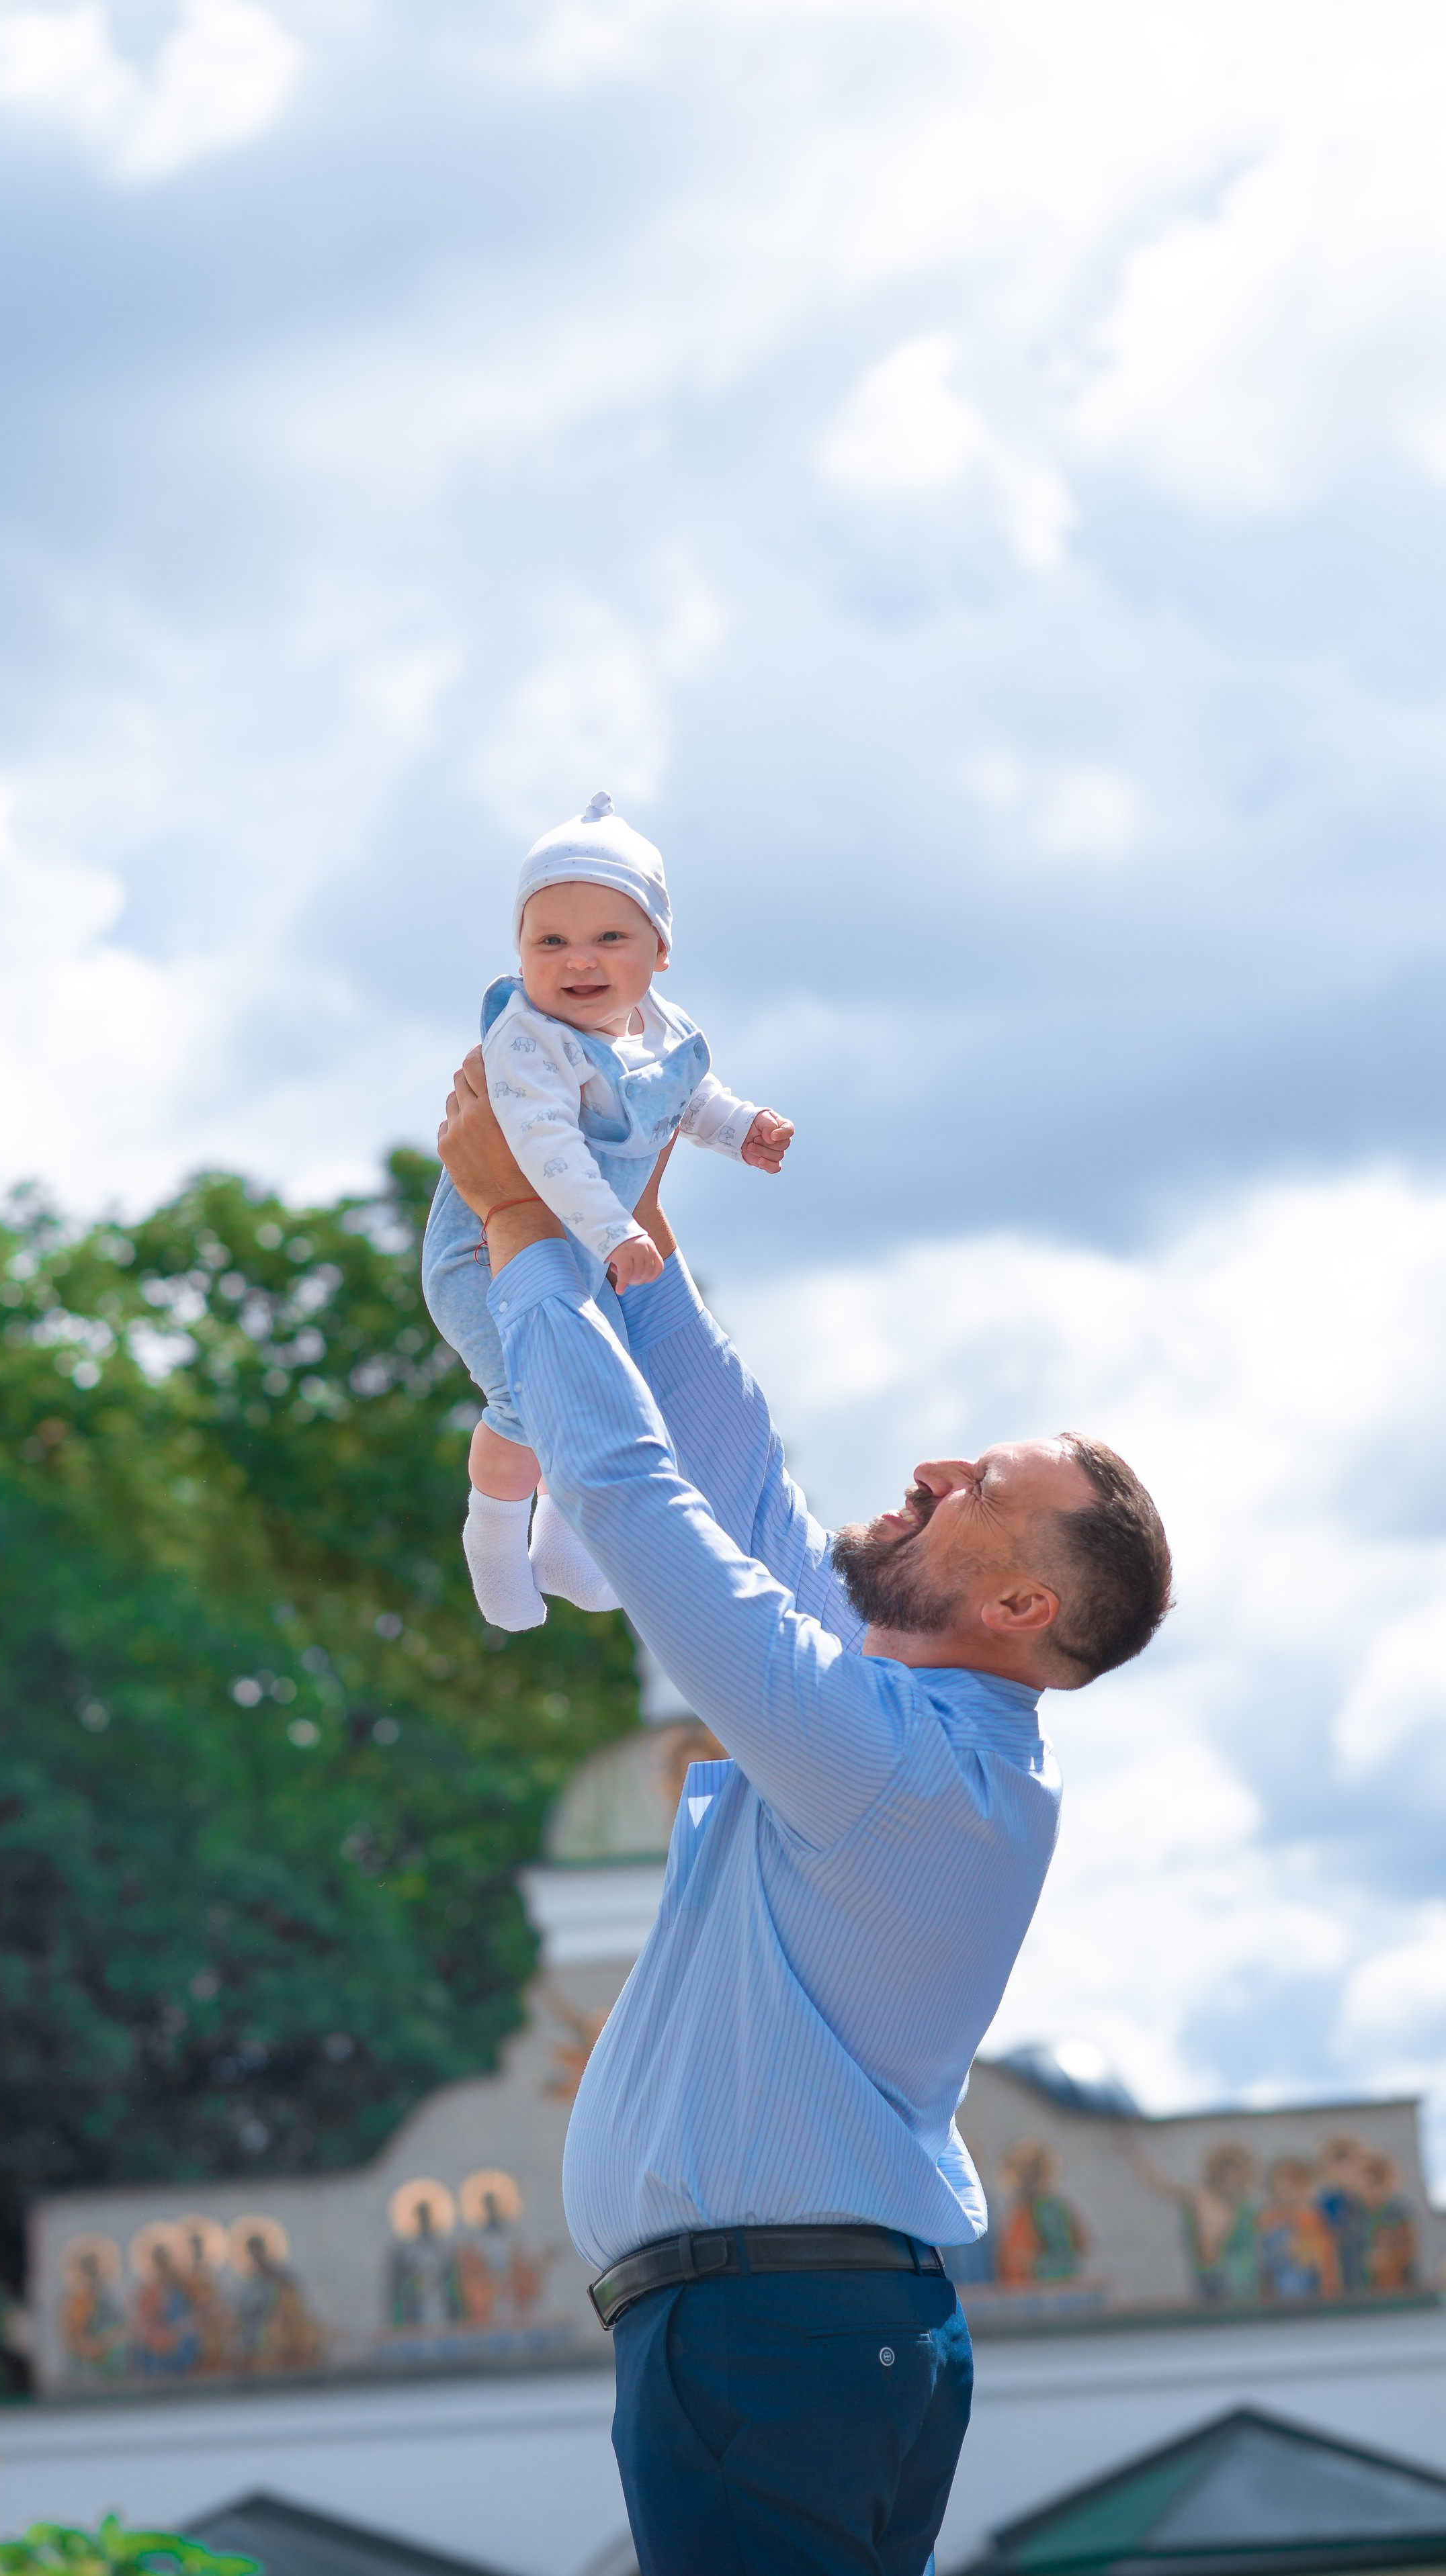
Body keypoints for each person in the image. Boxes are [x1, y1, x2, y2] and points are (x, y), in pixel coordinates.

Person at [436, 1056, 1172, 2576]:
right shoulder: (915, 1736)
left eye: (975, 1484)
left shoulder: (892, 1759)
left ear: (1019, 1602)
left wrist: (516, 1225)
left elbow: (639, 1499)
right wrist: (626, 1219)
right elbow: (737, 1477)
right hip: (797, 2331)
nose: (928, 1466)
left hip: (768, 2335)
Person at [422, 791, 793, 1632]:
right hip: (487, 1253)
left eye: (608, 938)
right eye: (549, 941)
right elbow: (546, 1147)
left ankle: (563, 1543)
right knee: (530, 1395)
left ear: (659, 950)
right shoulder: (531, 1041)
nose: (576, 961)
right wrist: (620, 1229)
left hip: (587, 1256)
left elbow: (689, 1099)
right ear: (519, 954)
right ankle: (491, 1537)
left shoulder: (661, 1033)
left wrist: (742, 1132)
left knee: (605, 1393)